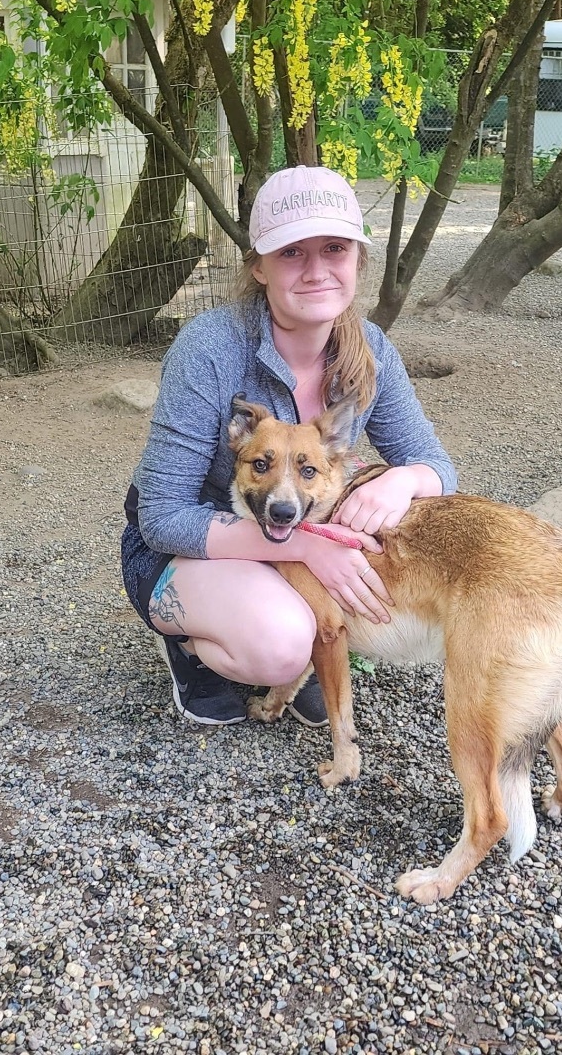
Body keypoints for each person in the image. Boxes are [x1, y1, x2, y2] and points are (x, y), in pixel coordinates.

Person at [121, 164, 457, 727]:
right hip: (184, 549)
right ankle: (190, 647)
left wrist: (406, 479)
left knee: (303, 631)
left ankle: (297, 645)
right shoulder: (209, 347)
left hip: (291, 543)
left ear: (357, 261)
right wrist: (304, 549)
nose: (317, 270)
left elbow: (437, 466)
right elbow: (160, 516)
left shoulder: (369, 350)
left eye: (334, 248)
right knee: (278, 646)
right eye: (292, 253)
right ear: (259, 267)